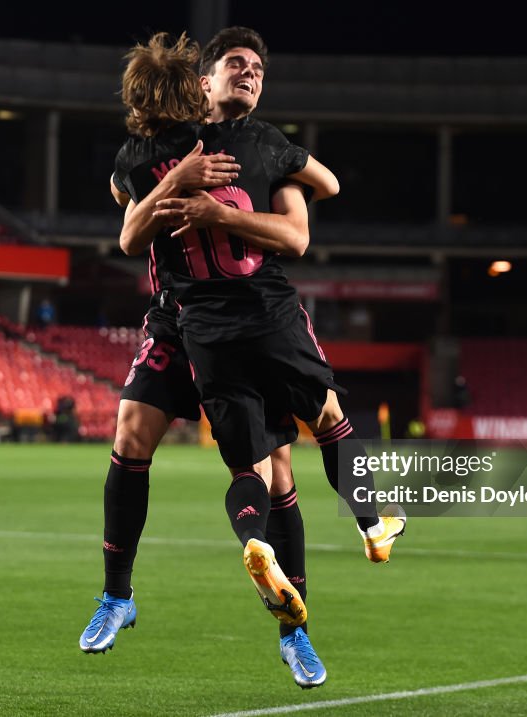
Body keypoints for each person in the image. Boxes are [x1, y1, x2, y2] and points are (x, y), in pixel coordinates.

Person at [80, 30, 344, 688]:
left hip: (253, 317)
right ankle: (117, 595)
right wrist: (178, 173)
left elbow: (311, 211)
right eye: (234, 67)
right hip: (179, 315)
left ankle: (295, 631)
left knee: (278, 472)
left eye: (256, 69)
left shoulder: (263, 148)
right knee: (131, 428)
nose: (246, 78)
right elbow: (128, 223)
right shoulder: (155, 153)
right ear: (202, 85)